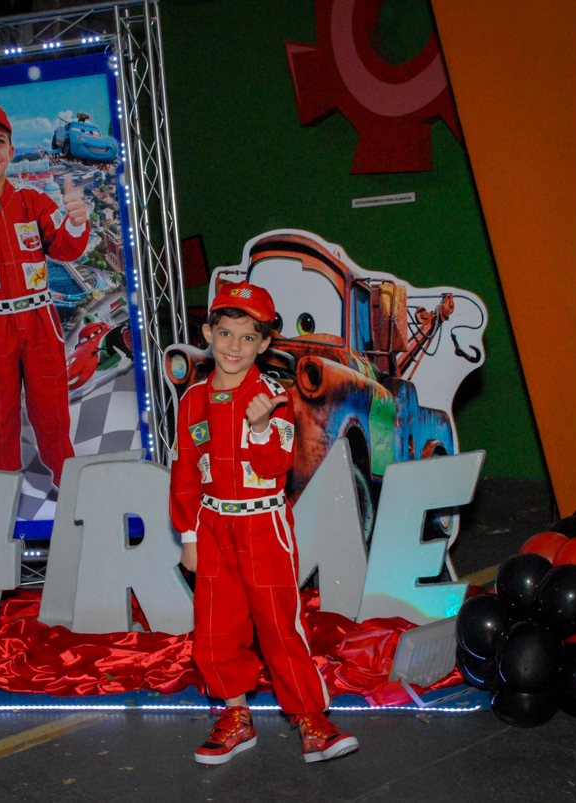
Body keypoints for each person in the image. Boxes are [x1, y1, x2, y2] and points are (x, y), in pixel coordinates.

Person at [170, 281, 359, 765]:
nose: (234, 347)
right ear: (209, 333)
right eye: (226, 334)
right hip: (212, 527)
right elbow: (185, 472)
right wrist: (189, 535)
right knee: (214, 628)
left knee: (279, 624)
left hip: (262, 527)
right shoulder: (191, 400)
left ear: (265, 343)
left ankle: (310, 718)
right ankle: (236, 716)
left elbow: (278, 465)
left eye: (248, 337)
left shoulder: (273, 397)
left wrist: (256, 427)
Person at [0, 102, 90, 486]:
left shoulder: (32, 201)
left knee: (52, 410)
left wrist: (77, 223)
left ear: (11, 151)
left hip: (39, 321)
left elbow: (64, 247)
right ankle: (2, 485)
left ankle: (67, 481)